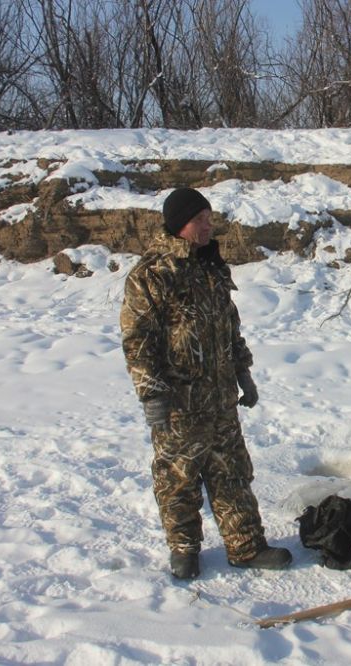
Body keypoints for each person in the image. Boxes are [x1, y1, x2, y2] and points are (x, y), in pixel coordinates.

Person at [120, 187, 292, 580]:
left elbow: (228, 326)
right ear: (181, 224)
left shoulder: (212, 266)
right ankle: (184, 550)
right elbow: (137, 339)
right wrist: (150, 392)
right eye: (201, 219)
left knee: (232, 473)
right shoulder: (151, 274)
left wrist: (242, 371)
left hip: (220, 399)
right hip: (179, 402)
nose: (209, 225)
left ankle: (246, 547)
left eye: (209, 218)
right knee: (178, 477)